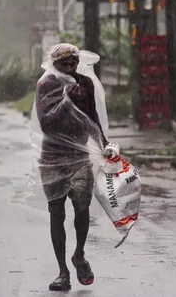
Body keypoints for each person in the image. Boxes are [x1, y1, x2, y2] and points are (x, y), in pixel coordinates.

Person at [33, 43, 119, 291]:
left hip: (79, 155)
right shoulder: (46, 85)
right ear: (54, 64)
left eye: (73, 63)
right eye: (64, 64)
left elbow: (92, 118)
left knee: (82, 206)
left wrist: (104, 144)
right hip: (52, 158)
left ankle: (79, 254)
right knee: (56, 212)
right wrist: (66, 99)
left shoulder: (85, 83)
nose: (70, 68)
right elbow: (47, 124)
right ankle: (62, 271)